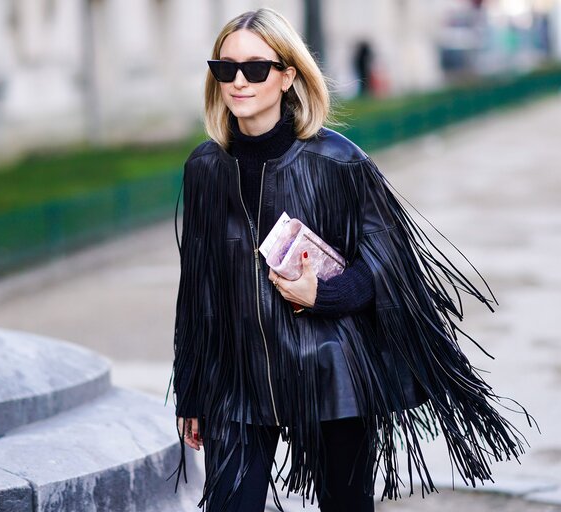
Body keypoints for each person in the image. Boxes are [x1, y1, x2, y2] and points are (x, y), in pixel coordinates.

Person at [166, 7, 538, 512]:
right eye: (225, 68)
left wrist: (322, 294)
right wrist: (191, 390)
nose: (239, 81)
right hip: (236, 377)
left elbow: (389, 270)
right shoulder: (204, 167)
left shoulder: (339, 161)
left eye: (255, 68)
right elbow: (198, 291)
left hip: (329, 369)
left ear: (287, 75)